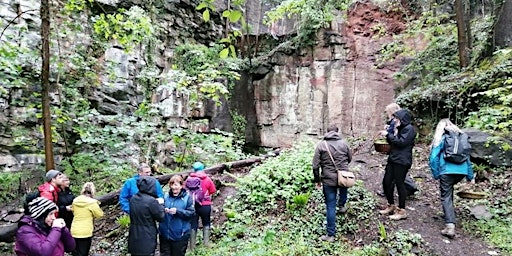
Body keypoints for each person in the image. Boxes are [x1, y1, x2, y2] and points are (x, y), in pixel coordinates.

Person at [429, 118, 474, 238]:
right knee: (449, 192)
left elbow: (434, 157)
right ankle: (450, 215)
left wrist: (436, 173)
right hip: (461, 172)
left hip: (447, 171)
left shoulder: (443, 138)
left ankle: (450, 226)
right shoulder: (461, 138)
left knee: (446, 196)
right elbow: (468, 158)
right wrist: (470, 175)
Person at [312, 125, 352, 242]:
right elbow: (349, 158)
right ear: (337, 132)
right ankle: (342, 206)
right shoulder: (344, 143)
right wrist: (342, 166)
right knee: (343, 186)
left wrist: (317, 180)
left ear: (327, 132)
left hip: (328, 179)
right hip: (343, 175)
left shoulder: (321, 145)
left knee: (330, 206)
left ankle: (330, 235)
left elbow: (315, 166)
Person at [378, 109, 416, 220]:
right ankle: (391, 205)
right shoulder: (399, 128)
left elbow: (401, 142)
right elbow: (393, 141)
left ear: (402, 119)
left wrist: (388, 135)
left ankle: (401, 210)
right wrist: (388, 134)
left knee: (400, 184)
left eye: (397, 118)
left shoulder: (409, 129)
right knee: (387, 182)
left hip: (402, 161)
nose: (395, 120)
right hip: (393, 159)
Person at [128, 176, 165, 256]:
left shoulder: (133, 199)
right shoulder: (151, 201)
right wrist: (161, 204)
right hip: (147, 235)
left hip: (134, 235)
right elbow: (161, 217)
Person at [159, 175, 195, 256]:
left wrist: (177, 211)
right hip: (165, 234)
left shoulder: (187, 198)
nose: (174, 187)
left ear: (181, 185)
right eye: (172, 185)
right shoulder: (165, 196)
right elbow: (159, 209)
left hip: (180, 235)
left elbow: (191, 213)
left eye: (176, 185)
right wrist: (162, 209)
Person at [186, 161, 216, 248]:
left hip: (193, 205)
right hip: (205, 204)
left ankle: (192, 246)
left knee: (193, 224)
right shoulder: (207, 179)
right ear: (203, 169)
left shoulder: (189, 179)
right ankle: (206, 244)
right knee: (206, 223)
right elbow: (213, 190)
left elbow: (185, 190)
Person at [71, 182, 104, 256]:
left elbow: (73, 211)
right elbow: (100, 214)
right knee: (83, 253)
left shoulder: (75, 200)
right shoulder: (92, 203)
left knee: (75, 253)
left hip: (74, 229)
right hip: (85, 231)